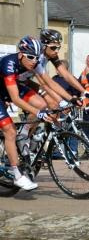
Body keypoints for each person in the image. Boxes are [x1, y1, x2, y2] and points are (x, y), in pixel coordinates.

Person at [0, 37, 60, 190]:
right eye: (30, 57)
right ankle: (17, 176)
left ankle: (24, 134)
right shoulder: (9, 64)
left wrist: (63, 101)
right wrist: (38, 114)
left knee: (42, 103)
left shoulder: (32, 63)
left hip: (8, 88)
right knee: (9, 130)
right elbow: (15, 99)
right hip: (5, 91)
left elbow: (48, 83)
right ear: (20, 54)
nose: (34, 61)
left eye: (36, 57)